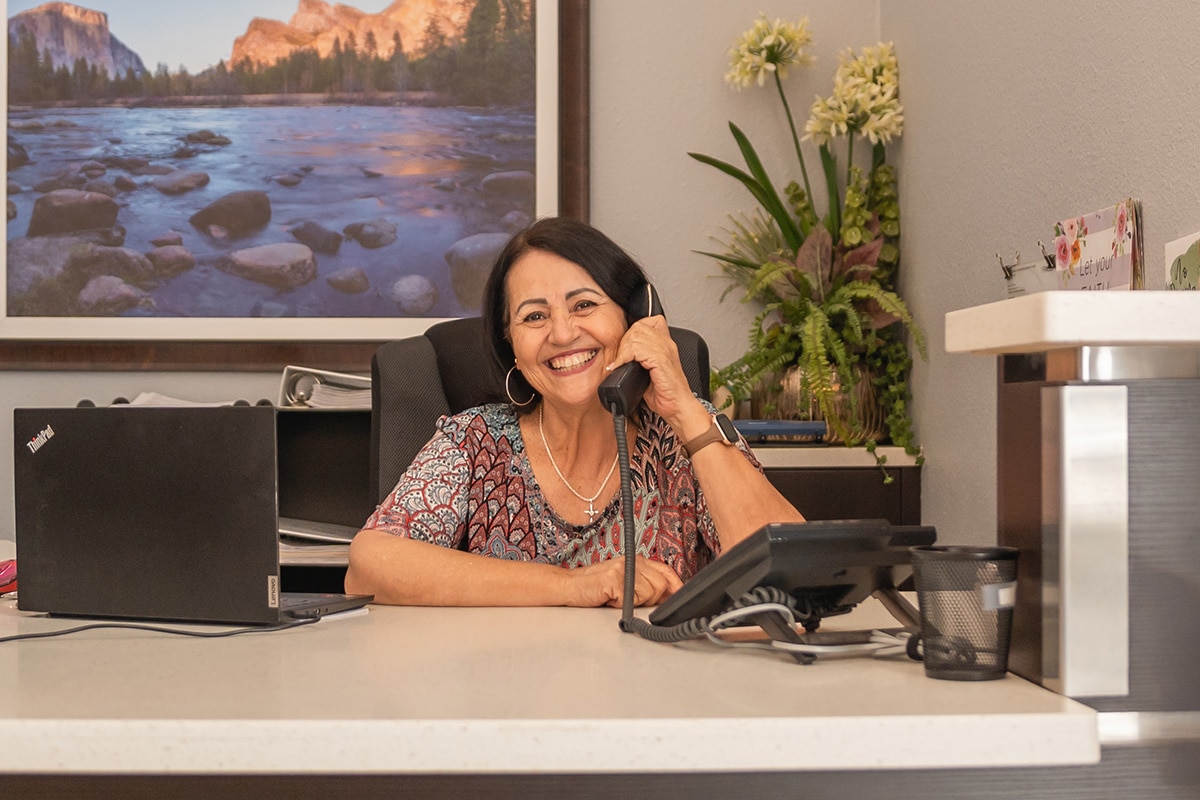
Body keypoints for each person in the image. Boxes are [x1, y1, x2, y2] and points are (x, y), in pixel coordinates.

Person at [345, 217, 804, 607]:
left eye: (584, 304)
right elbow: (369, 566)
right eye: (534, 316)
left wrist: (685, 412)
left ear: (634, 317)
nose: (563, 334)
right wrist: (571, 585)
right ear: (511, 344)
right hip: (505, 701)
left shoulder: (689, 433)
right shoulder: (475, 441)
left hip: (665, 699)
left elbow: (793, 574)